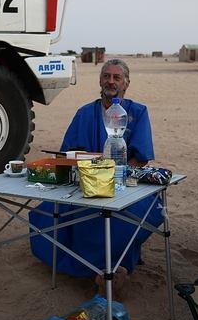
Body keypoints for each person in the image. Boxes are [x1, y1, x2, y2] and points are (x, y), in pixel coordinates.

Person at [29, 59, 161, 293]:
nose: (111, 81)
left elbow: (141, 158)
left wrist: (111, 177)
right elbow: (68, 153)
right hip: (85, 184)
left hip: (122, 184)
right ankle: (80, 265)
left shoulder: (138, 112)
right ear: (100, 81)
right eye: (106, 76)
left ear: (126, 84)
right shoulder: (84, 113)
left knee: (135, 212)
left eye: (116, 77)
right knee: (46, 211)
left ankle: (114, 269)